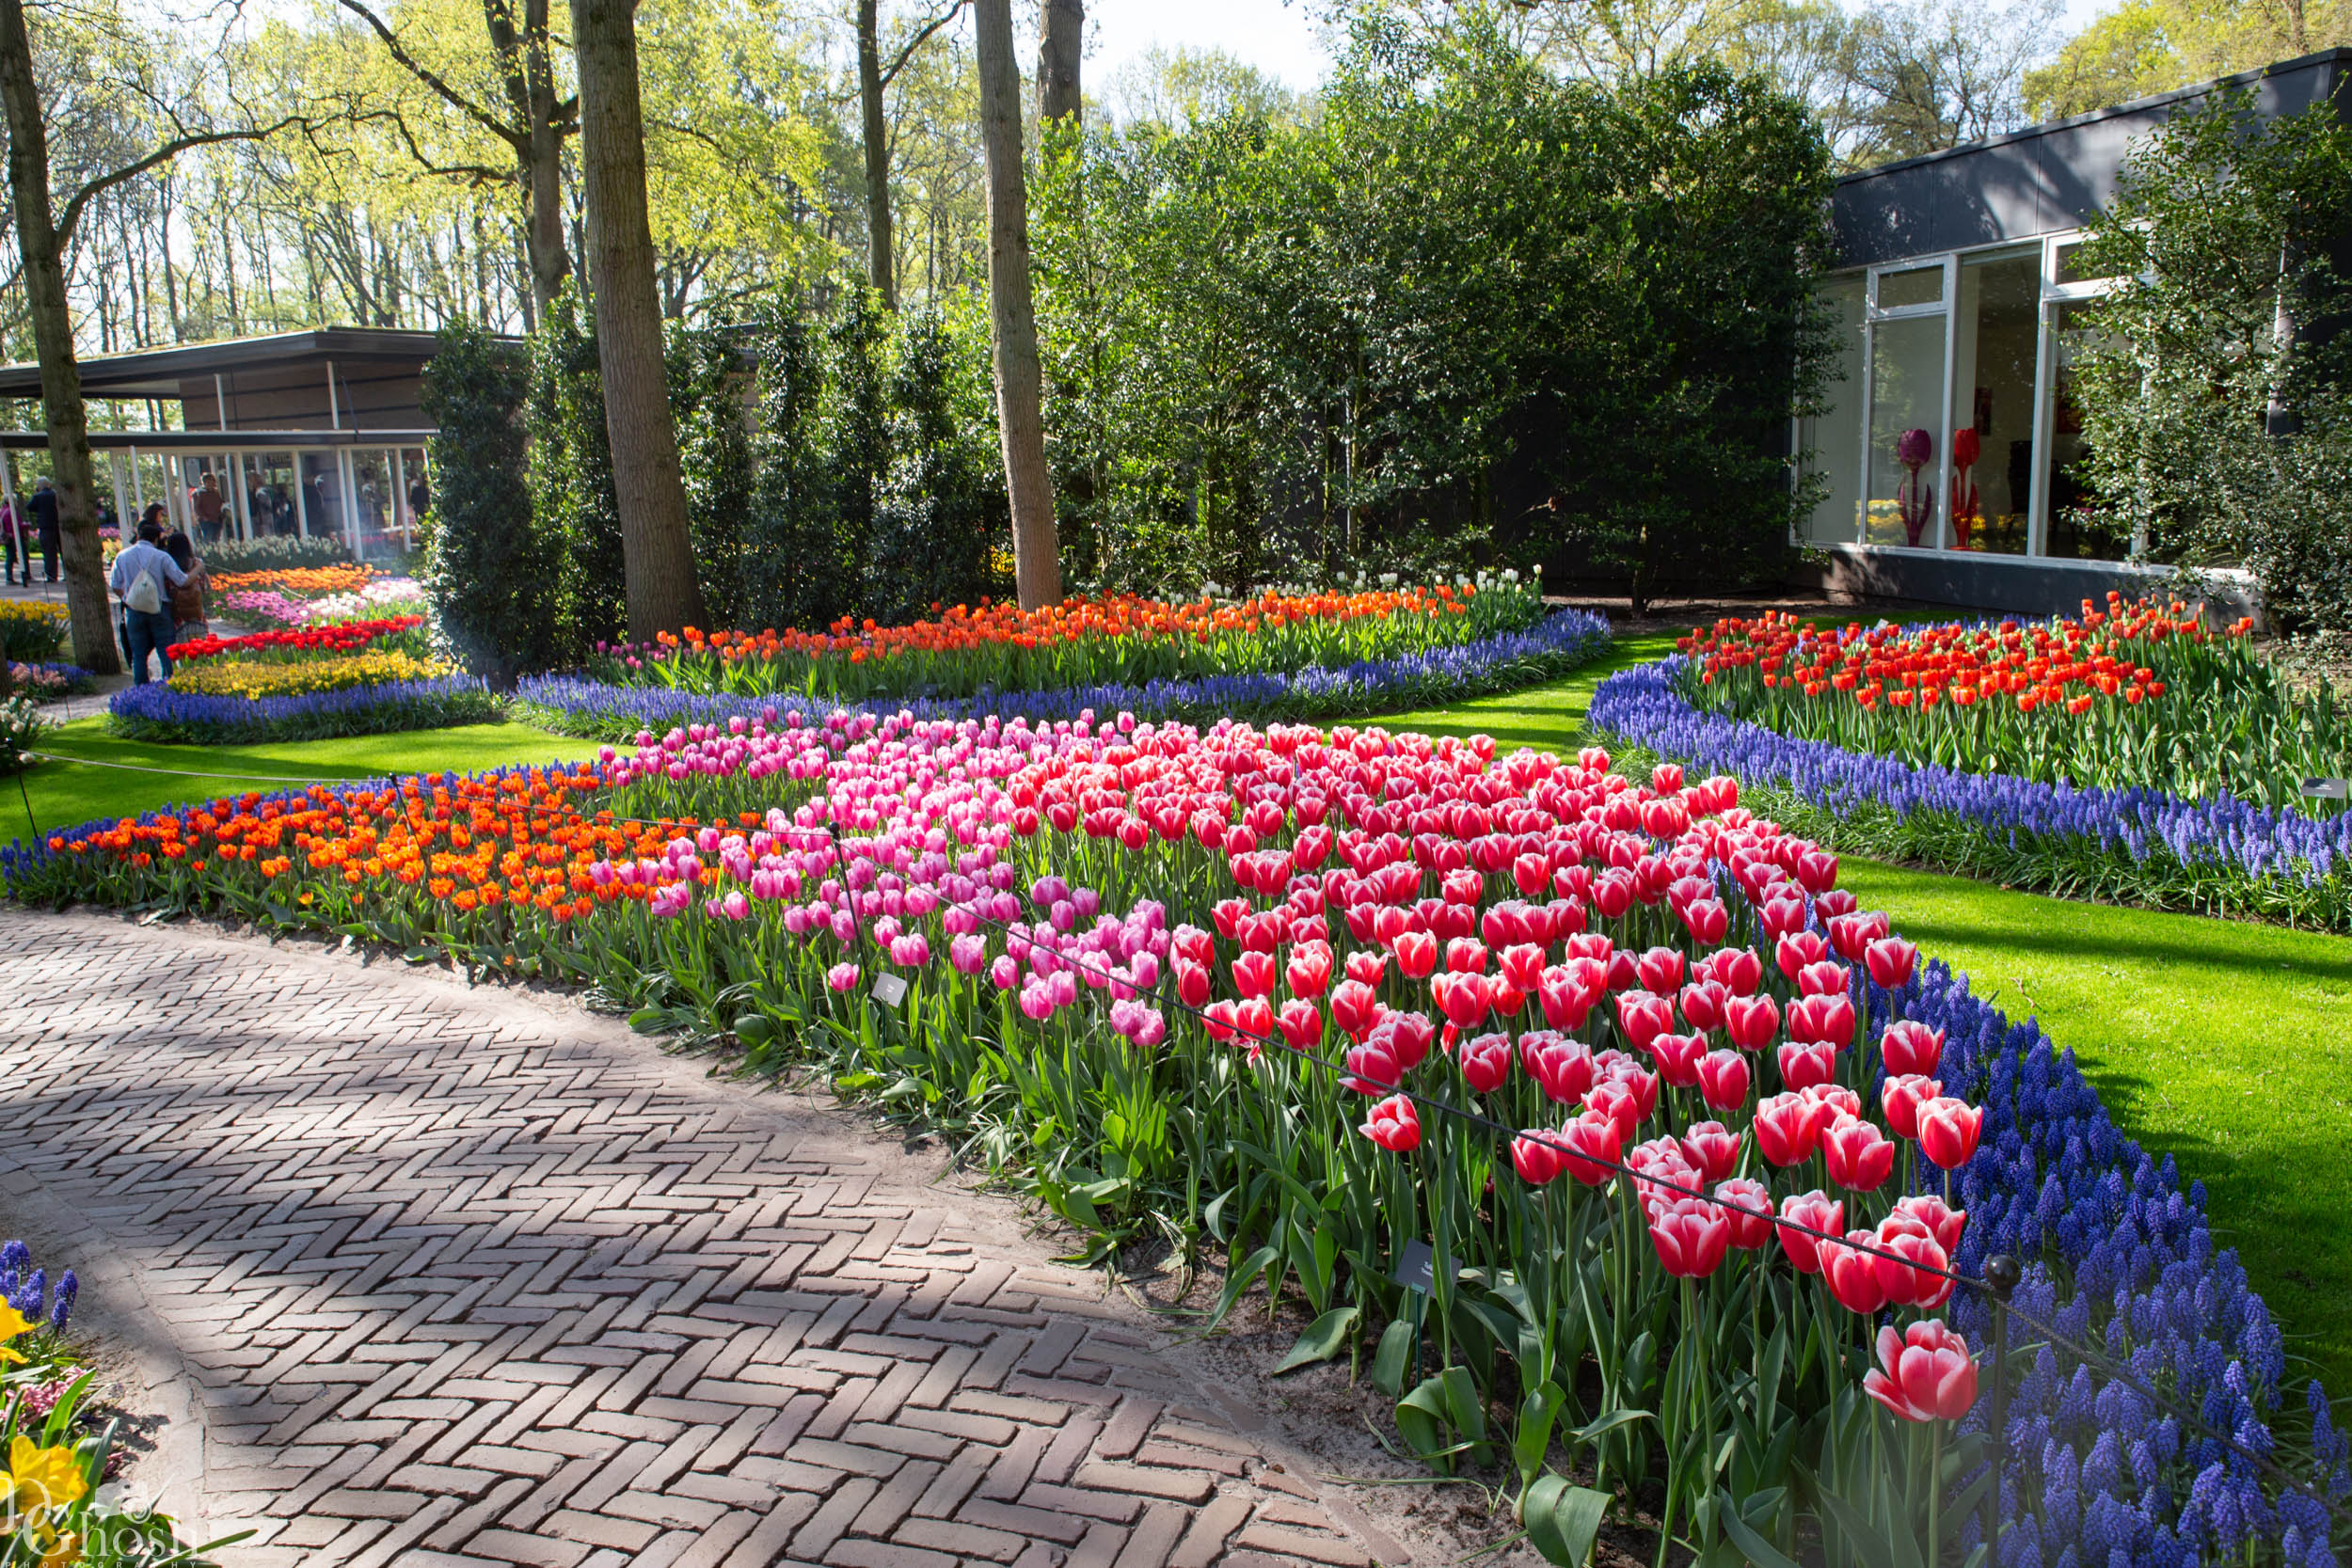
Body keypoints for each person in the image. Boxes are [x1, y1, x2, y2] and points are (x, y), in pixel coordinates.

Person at [109, 516, 188, 685]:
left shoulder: (122, 556)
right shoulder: (161, 556)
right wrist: (198, 569)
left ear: (138, 536)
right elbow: (181, 580)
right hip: (159, 608)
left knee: (138, 654)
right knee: (166, 651)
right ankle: (171, 685)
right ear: (156, 539)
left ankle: (141, 690)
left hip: (134, 609)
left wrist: (127, 598)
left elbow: (114, 584)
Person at [165, 530, 210, 643]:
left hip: (177, 615)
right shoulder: (197, 563)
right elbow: (206, 588)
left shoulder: (167, 565)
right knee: (200, 646)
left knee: (181, 650)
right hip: (197, 613)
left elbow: (166, 588)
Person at [27, 476, 59, 583]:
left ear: (39, 486)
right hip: (58, 526)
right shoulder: (55, 494)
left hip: (46, 527)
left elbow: (29, 507)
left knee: (48, 552)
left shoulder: (38, 496)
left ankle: (51, 575)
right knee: (64, 551)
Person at [189, 471, 225, 543]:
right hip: (207, 521)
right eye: (208, 482)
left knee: (216, 539)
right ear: (204, 483)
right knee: (208, 539)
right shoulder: (199, 493)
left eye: (212, 481)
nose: (211, 483)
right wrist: (204, 517)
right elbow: (197, 508)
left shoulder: (215, 493)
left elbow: (220, 504)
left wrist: (222, 515)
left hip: (217, 520)